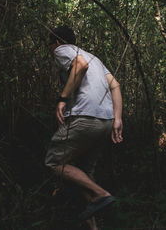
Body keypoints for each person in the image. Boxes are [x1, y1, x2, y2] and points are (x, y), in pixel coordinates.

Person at [44, 26, 123, 230]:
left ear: (57, 43)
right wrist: (117, 119)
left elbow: (80, 65)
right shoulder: (95, 58)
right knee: (81, 174)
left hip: (84, 118)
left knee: (54, 162)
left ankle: (101, 194)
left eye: (50, 45)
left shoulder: (63, 50)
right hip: (104, 122)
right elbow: (115, 84)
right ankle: (93, 225)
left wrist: (62, 98)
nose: (50, 50)